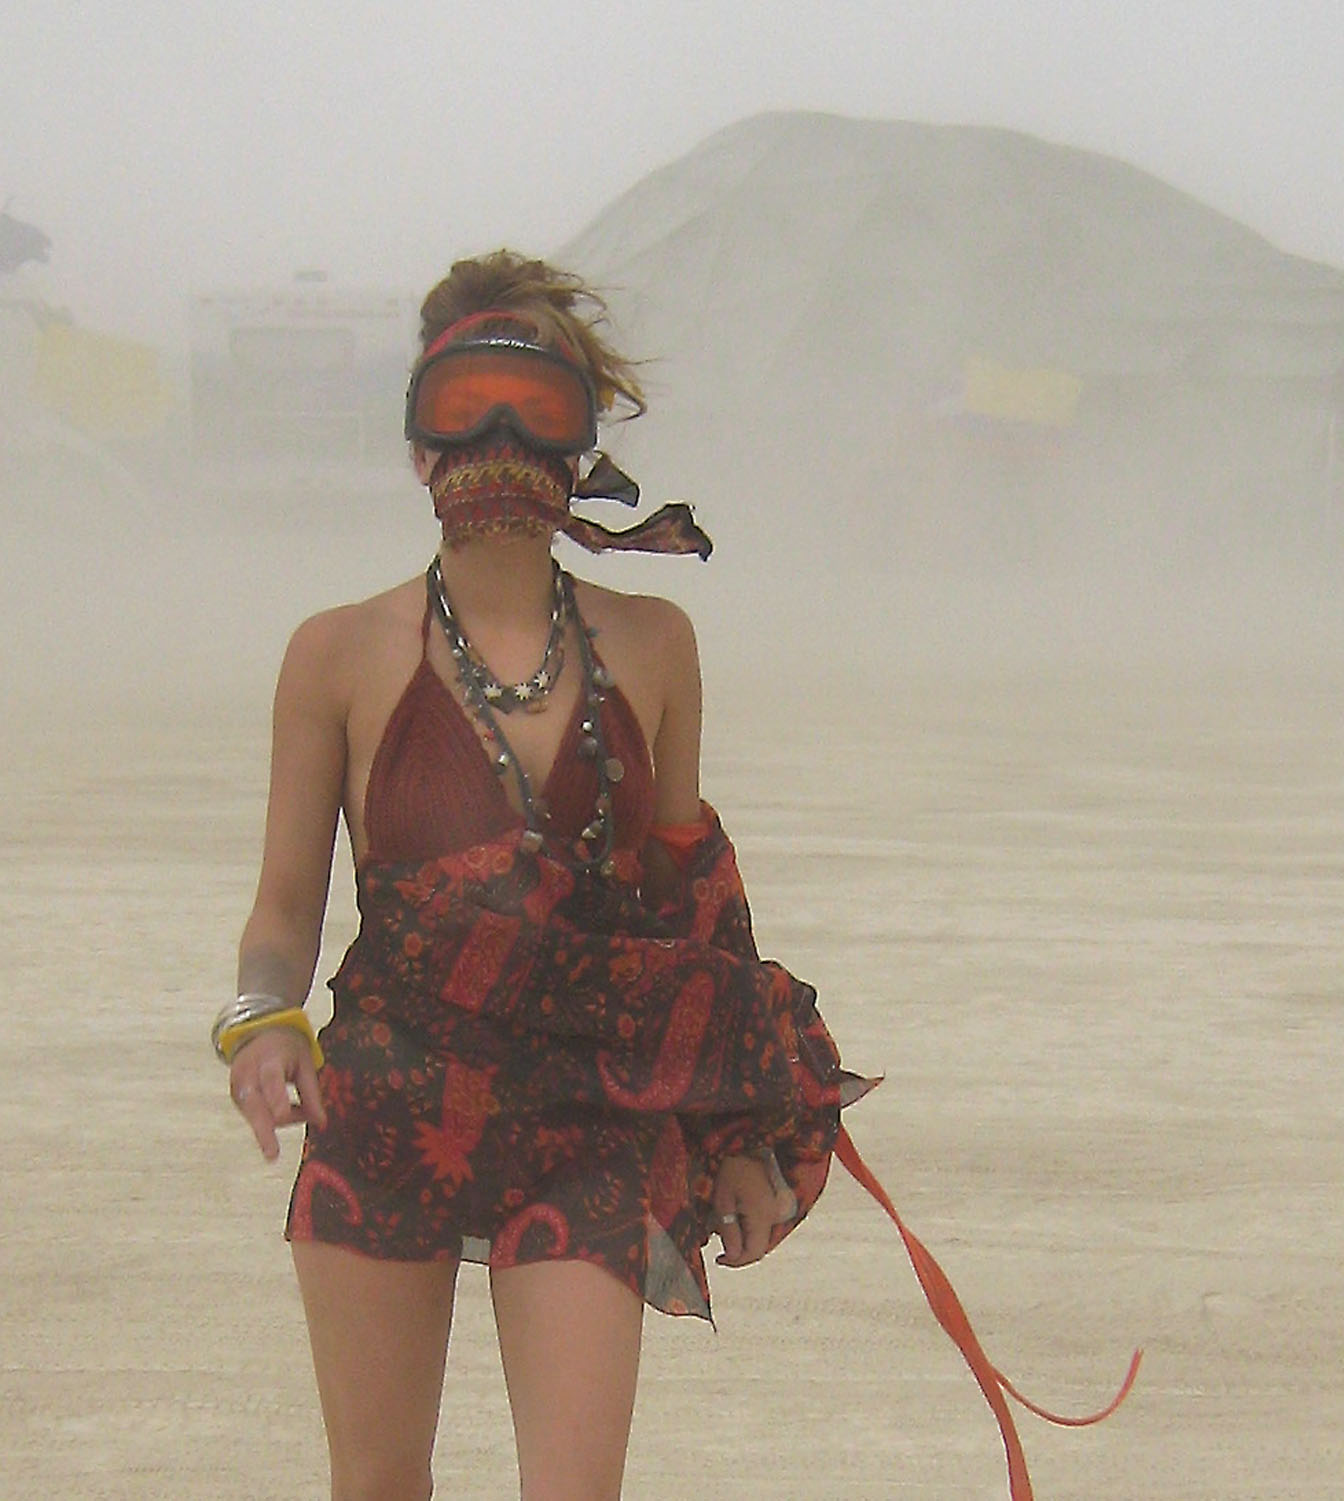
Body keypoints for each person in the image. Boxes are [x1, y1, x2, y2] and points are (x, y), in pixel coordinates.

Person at [220, 250, 872, 1499]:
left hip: (586, 1113)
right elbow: (287, 908)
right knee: (378, 1482)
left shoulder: (653, 643)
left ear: (583, 437)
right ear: (418, 441)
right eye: (466, 405)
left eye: (540, 404)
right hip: (389, 1097)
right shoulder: (338, 656)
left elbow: (695, 919)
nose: (502, 437)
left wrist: (739, 1130)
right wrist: (260, 1023)